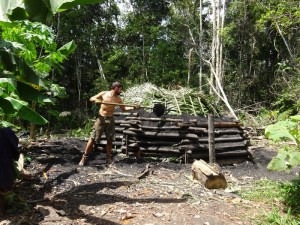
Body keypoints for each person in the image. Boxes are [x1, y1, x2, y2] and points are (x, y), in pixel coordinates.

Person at [79, 82, 136, 166]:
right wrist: (96, 100)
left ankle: (108, 158)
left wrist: (133, 107)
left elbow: (124, 108)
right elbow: (91, 98)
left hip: (110, 120)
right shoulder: (104, 94)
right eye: (120, 89)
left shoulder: (118, 99)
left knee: (110, 139)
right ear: (116, 88)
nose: (121, 91)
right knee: (93, 138)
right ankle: (84, 157)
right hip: (101, 119)